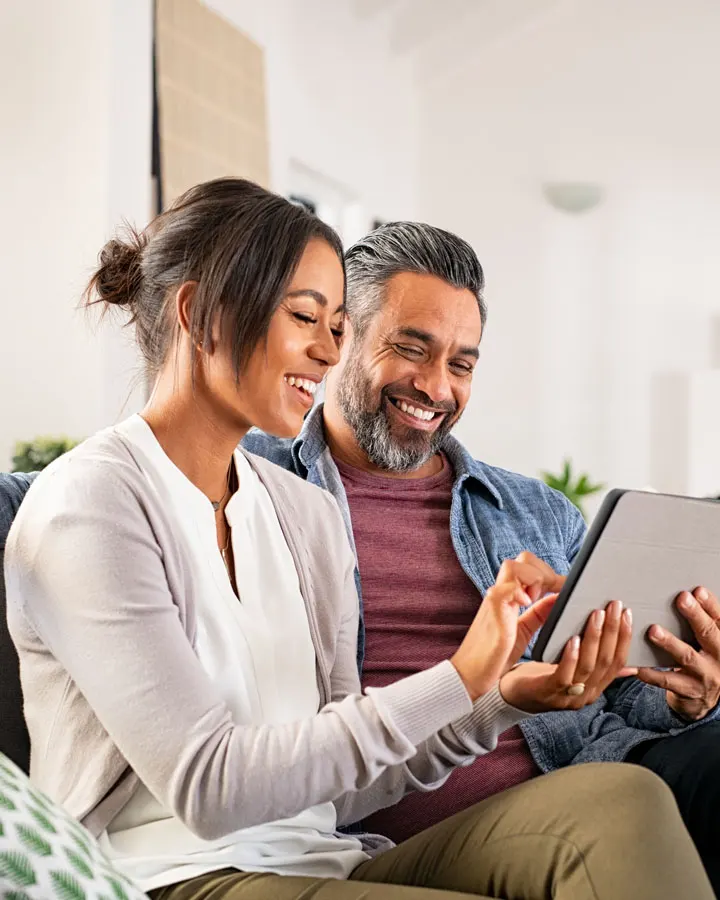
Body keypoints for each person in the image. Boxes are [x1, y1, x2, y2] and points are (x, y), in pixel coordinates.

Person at [4, 179, 712, 900]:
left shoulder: (301, 514)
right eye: (306, 317)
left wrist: (502, 699)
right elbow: (207, 786)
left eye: (337, 325)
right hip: (175, 874)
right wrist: (462, 675)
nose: (326, 350)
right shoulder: (90, 504)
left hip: (325, 855)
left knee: (622, 800)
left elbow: (347, 793)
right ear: (199, 313)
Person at [243, 220, 720, 890]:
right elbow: (90, 486)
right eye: (412, 350)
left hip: (577, 774)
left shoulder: (537, 511)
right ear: (338, 335)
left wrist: (685, 698)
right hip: (385, 827)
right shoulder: (246, 484)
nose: (437, 388)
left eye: (461, 364)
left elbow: (618, 694)